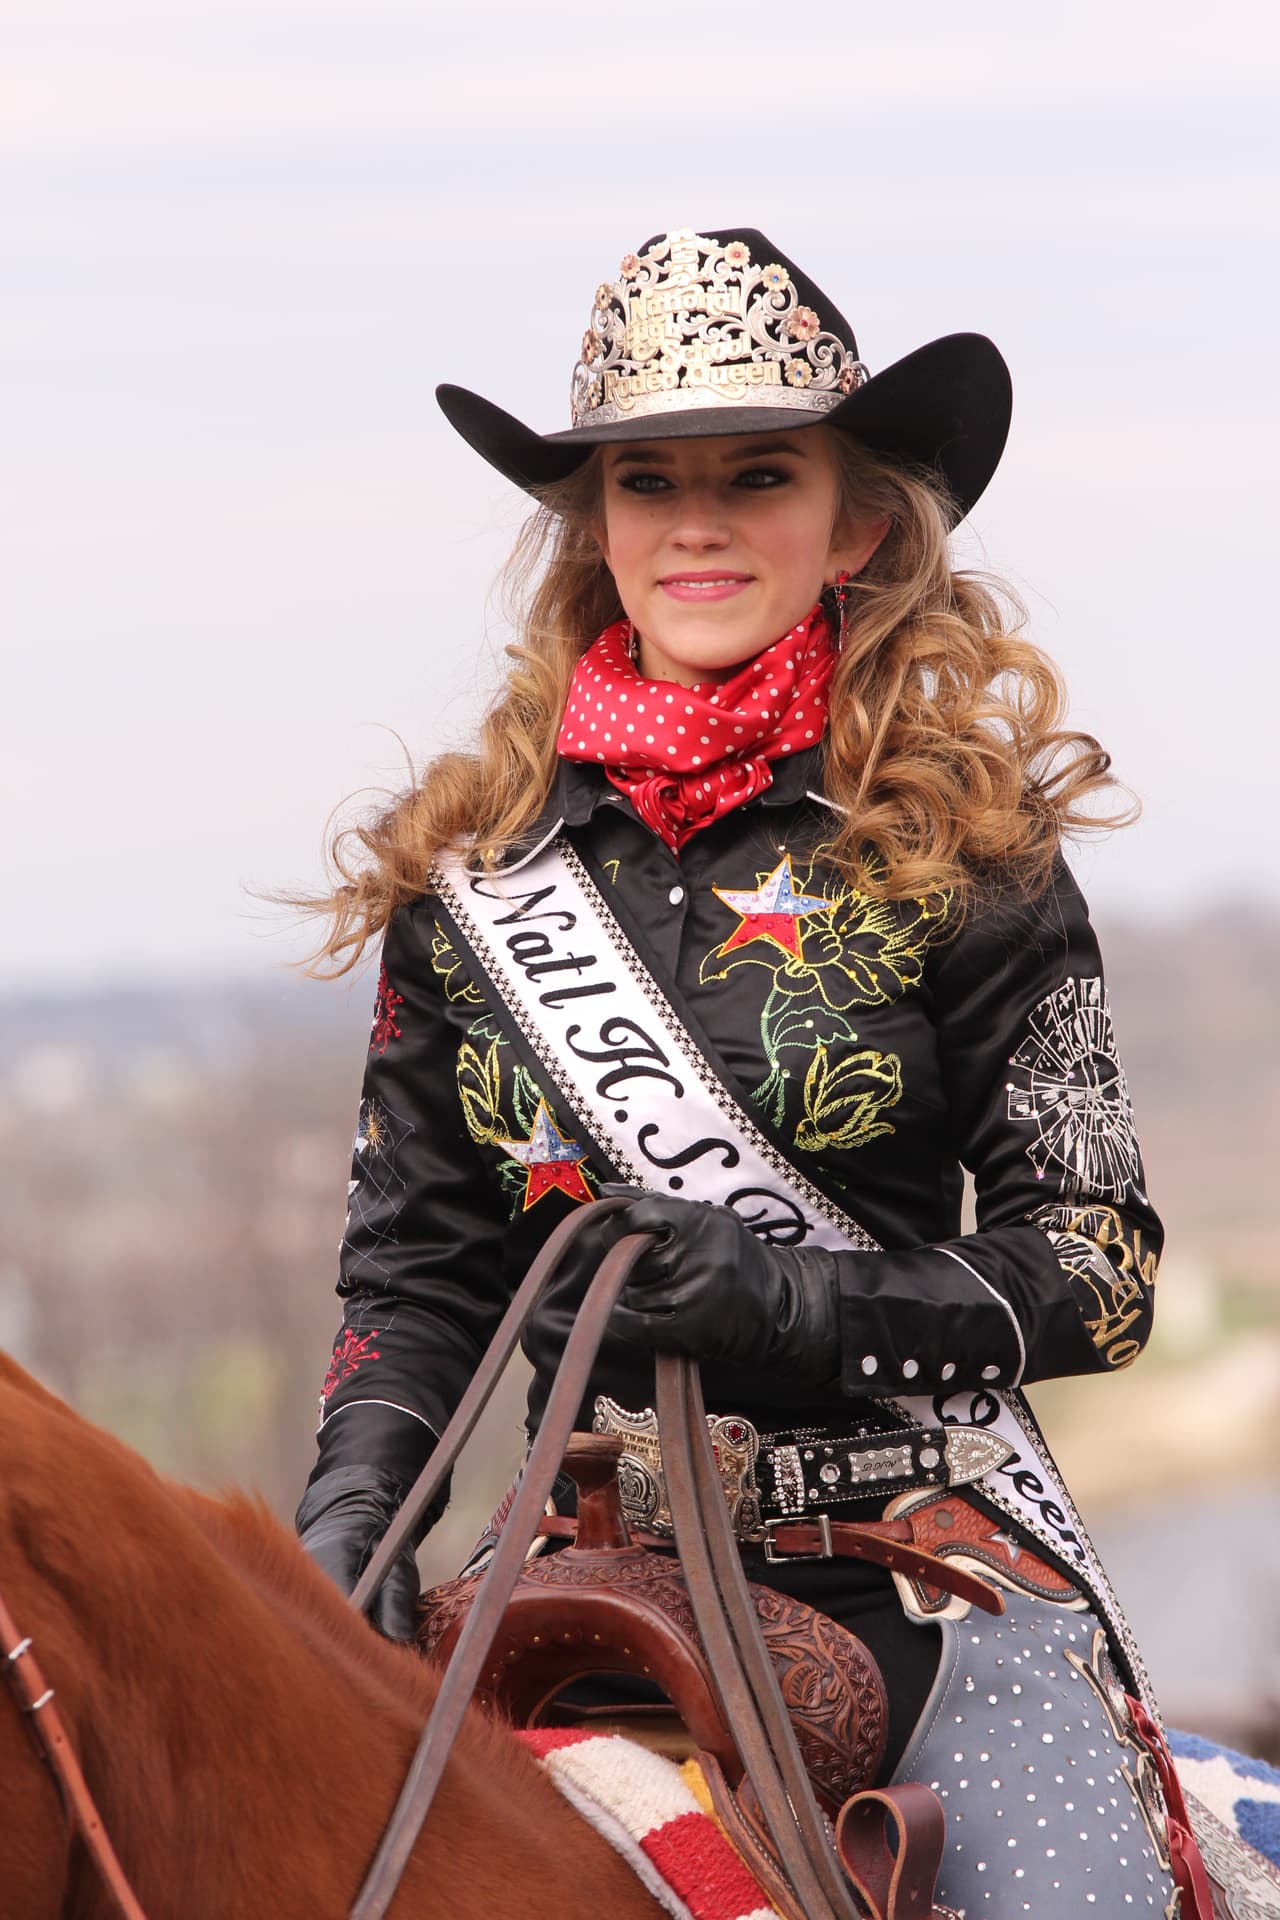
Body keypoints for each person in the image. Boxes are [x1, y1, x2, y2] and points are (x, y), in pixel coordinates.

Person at [293, 227, 1196, 1914]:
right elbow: (413, 1276)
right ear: (600, 528)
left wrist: (794, 1311)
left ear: (854, 519)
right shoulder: (469, 880)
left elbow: (1104, 1272)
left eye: (756, 473)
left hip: (928, 1581)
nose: (696, 524)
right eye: (649, 483)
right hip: (575, 1559)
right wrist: (354, 1514)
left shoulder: (975, 855)